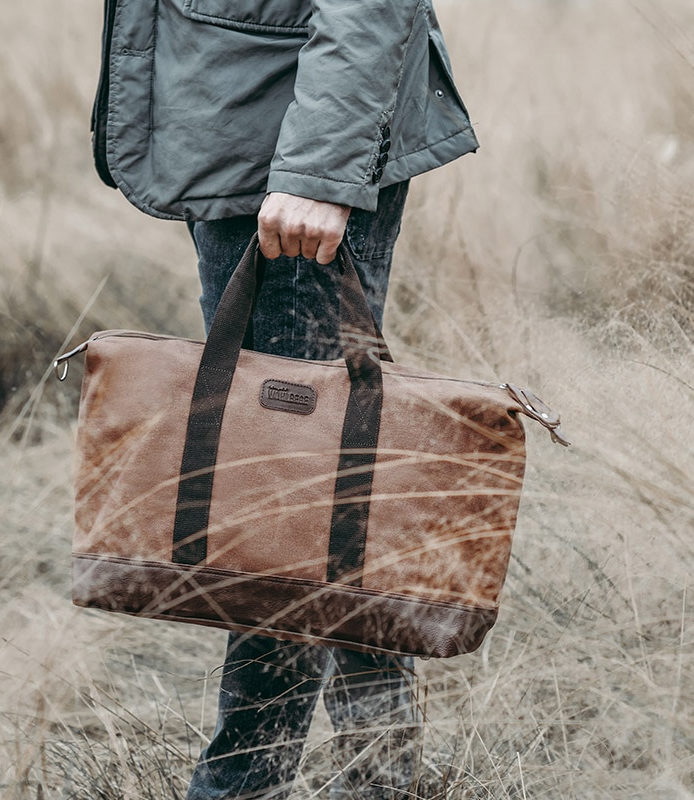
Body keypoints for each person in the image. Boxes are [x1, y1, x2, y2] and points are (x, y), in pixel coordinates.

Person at [90, 1, 478, 796]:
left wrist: (318, 170)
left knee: (284, 496)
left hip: (290, 141)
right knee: (318, 484)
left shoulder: (301, 163)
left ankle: (242, 784)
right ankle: (381, 774)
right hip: (238, 119)